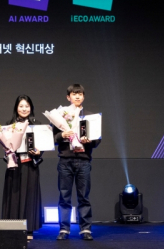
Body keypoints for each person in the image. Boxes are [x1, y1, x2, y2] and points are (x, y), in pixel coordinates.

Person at [53, 84, 101, 241]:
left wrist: (89, 140)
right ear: (68, 97)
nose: (77, 96)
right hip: (65, 160)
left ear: (84, 97)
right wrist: (62, 135)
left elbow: (97, 140)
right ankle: (64, 229)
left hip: (83, 160)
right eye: (74, 94)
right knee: (64, 196)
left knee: (83, 197)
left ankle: (85, 229)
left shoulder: (91, 117)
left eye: (80, 94)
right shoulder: (60, 116)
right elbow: (52, 138)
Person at [1, 95, 43, 240]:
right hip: (15, 164)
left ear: (31, 108)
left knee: (30, 196)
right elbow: (5, 146)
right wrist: (9, 151)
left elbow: (42, 146)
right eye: (21, 106)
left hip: (30, 165)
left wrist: (39, 152)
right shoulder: (9, 125)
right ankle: (13, 228)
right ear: (16, 108)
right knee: (13, 195)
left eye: (27, 106)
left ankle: (29, 229)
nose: (24, 109)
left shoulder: (37, 125)